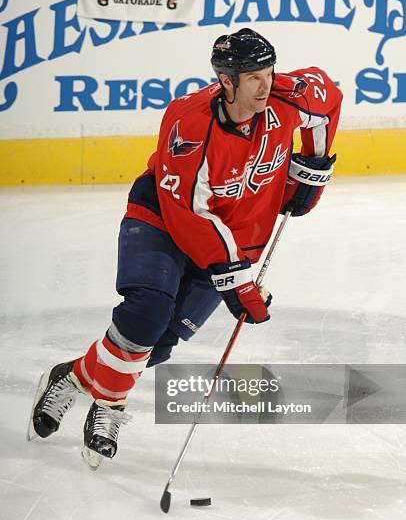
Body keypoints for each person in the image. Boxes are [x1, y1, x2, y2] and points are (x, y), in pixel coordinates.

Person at [27, 28, 342, 468]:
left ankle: (73, 377)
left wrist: (311, 167)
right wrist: (237, 284)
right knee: (147, 314)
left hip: (230, 236)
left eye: (269, 72)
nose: (266, 85)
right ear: (226, 80)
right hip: (163, 219)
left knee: (159, 344)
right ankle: (111, 405)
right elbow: (189, 217)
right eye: (253, 77)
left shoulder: (288, 97)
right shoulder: (189, 121)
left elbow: (328, 103)